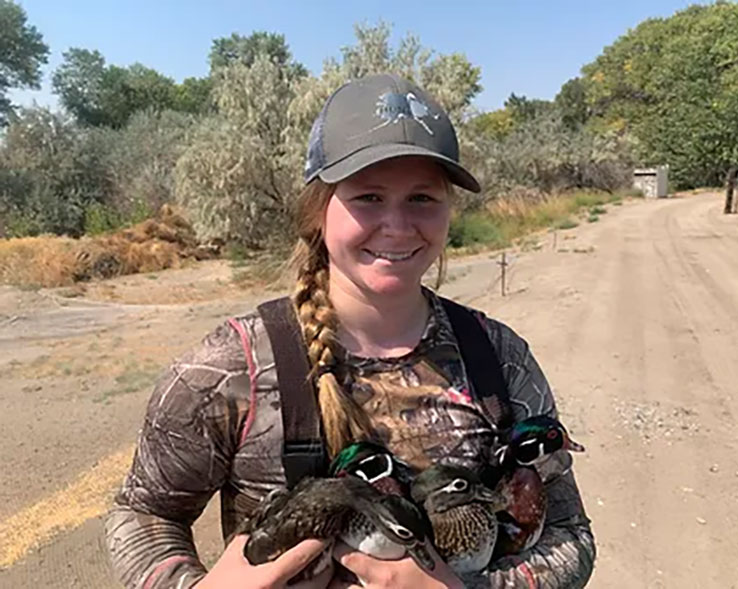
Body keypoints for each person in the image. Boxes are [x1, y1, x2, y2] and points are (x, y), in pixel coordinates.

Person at [105, 73, 595, 589]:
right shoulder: (230, 366)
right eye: (368, 197)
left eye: (423, 198)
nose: (398, 225)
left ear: (450, 209)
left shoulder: (499, 356)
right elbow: (143, 514)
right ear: (319, 211)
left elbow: (569, 534)